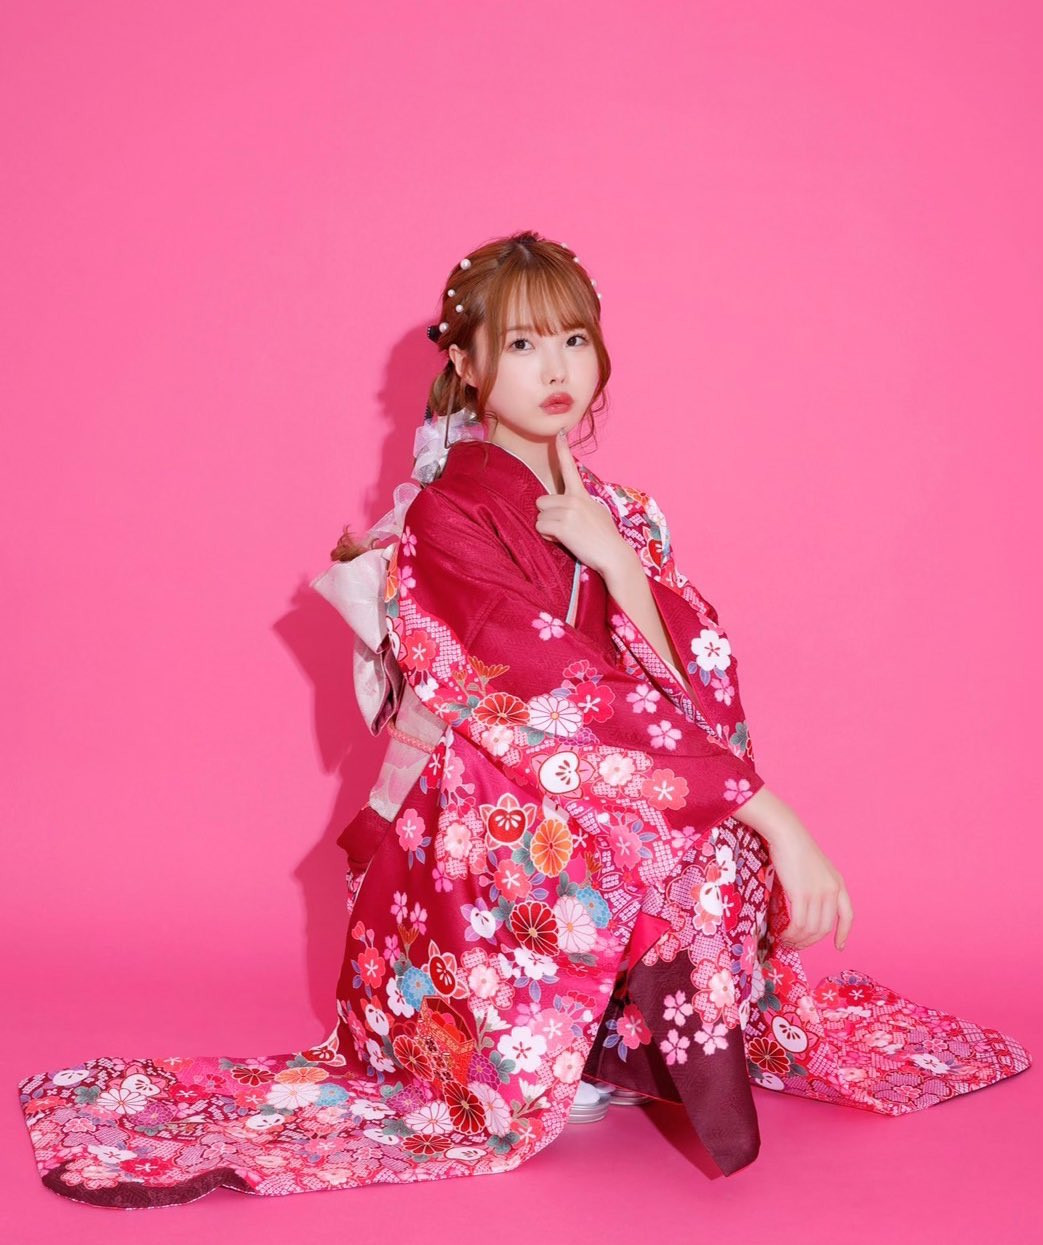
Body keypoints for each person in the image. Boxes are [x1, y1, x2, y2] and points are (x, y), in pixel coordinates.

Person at [16, 231, 1031, 1208]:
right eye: (520, 342)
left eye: (573, 339)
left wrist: (618, 562)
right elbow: (554, 696)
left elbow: (694, 685)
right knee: (677, 833)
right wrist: (773, 813)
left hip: (602, 769)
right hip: (485, 802)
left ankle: (611, 1038)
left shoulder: (623, 513)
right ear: (464, 364)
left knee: (703, 833)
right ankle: (554, 1042)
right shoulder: (445, 515)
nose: (556, 369)